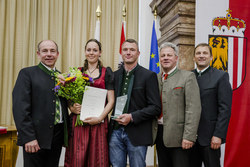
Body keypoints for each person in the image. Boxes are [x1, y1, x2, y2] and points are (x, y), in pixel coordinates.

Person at [12, 40, 69, 167]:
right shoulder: (27, 73)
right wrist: (28, 137)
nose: (49, 54)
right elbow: (20, 108)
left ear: (58, 54)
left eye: (52, 51)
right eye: (45, 51)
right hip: (35, 136)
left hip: (57, 135)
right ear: (38, 54)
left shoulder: (63, 77)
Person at [109, 39, 161, 167]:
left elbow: (155, 107)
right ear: (121, 53)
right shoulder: (113, 76)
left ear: (138, 53)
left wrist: (131, 117)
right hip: (115, 132)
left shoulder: (149, 76)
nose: (128, 53)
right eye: (125, 50)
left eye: (132, 50)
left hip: (138, 133)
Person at [64, 39, 115, 167]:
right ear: (85, 52)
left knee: (97, 158)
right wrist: (72, 107)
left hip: (99, 122)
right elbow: (68, 97)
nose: (91, 53)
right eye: (89, 50)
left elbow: (111, 100)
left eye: (95, 50)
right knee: (78, 158)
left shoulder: (106, 72)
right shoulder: (76, 72)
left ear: (100, 53)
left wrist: (99, 118)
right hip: (79, 121)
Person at [154, 42, 201, 167]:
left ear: (176, 58)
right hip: (159, 134)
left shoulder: (187, 77)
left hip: (180, 137)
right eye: (163, 55)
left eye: (169, 55)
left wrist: (189, 136)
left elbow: (193, 108)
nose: (165, 58)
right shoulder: (155, 78)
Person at [190, 43, 232, 167]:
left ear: (211, 57)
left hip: (210, 137)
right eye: (198, 53)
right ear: (194, 57)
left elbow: (225, 109)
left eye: (205, 53)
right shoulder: (188, 76)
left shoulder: (221, 76)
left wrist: (218, 135)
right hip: (189, 138)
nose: (201, 56)